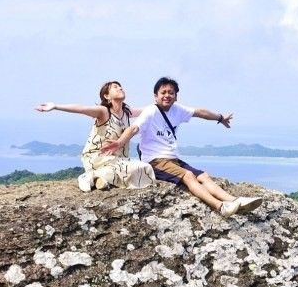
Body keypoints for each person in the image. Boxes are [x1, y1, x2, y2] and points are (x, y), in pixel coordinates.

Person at [101, 77, 262, 217]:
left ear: (176, 96)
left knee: (204, 176)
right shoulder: (150, 111)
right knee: (189, 176)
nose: (167, 95)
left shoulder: (177, 110)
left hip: (173, 159)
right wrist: (120, 142)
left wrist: (220, 118)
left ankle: (235, 201)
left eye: (171, 92)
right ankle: (221, 207)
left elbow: (199, 112)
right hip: (155, 161)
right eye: (163, 92)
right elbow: (134, 128)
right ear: (155, 96)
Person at [36, 81, 156, 192]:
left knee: (144, 169)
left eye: (120, 87)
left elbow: (146, 110)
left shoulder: (126, 111)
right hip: (98, 156)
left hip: (116, 159)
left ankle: (97, 178)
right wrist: (56, 106)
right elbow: (82, 109)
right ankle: (90, 176)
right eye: (115, 87)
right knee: (133, 168)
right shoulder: (103, 111)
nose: (120, 88)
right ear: (106, 96)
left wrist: (161, 101)